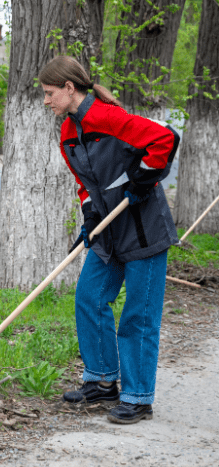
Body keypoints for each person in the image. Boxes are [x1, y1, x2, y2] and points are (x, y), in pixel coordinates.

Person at [38, 56, 180, 424]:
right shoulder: (68, 133)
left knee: (139, 314)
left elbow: (165, 139)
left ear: (70, 88)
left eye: (49, 93)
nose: (46, 100)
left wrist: (143, 179)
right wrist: (89, 214)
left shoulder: (108, 117)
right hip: (108, 232)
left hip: (143, 229)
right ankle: (102, 380)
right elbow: (85, 183)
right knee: (90, 297)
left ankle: (138, 397)